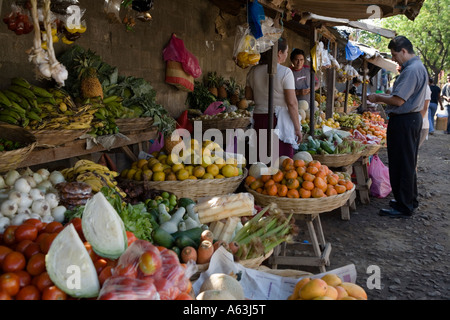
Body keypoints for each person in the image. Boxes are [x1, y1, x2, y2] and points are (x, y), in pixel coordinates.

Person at [367, 36, 428, 219]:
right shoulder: (416, 67)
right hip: (410, 119)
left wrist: (378, 98)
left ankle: (403, 206)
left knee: (401, 163)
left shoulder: (411, 70)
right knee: (407, 162)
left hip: (405, 120)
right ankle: (409, 200)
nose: (394, 59)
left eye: (394, 54)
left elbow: (398, 100)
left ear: (403, 51)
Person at [245, 37, 302, 160]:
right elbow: (292, 103)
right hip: (278, 122)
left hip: (259, 118)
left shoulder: (252, 71)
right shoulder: (285, 72)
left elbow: (248, 96)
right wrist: (297, 128)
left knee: (261, 159)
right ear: (279, 53)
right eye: (286, 52)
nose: (286, 56)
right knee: (281, 163)